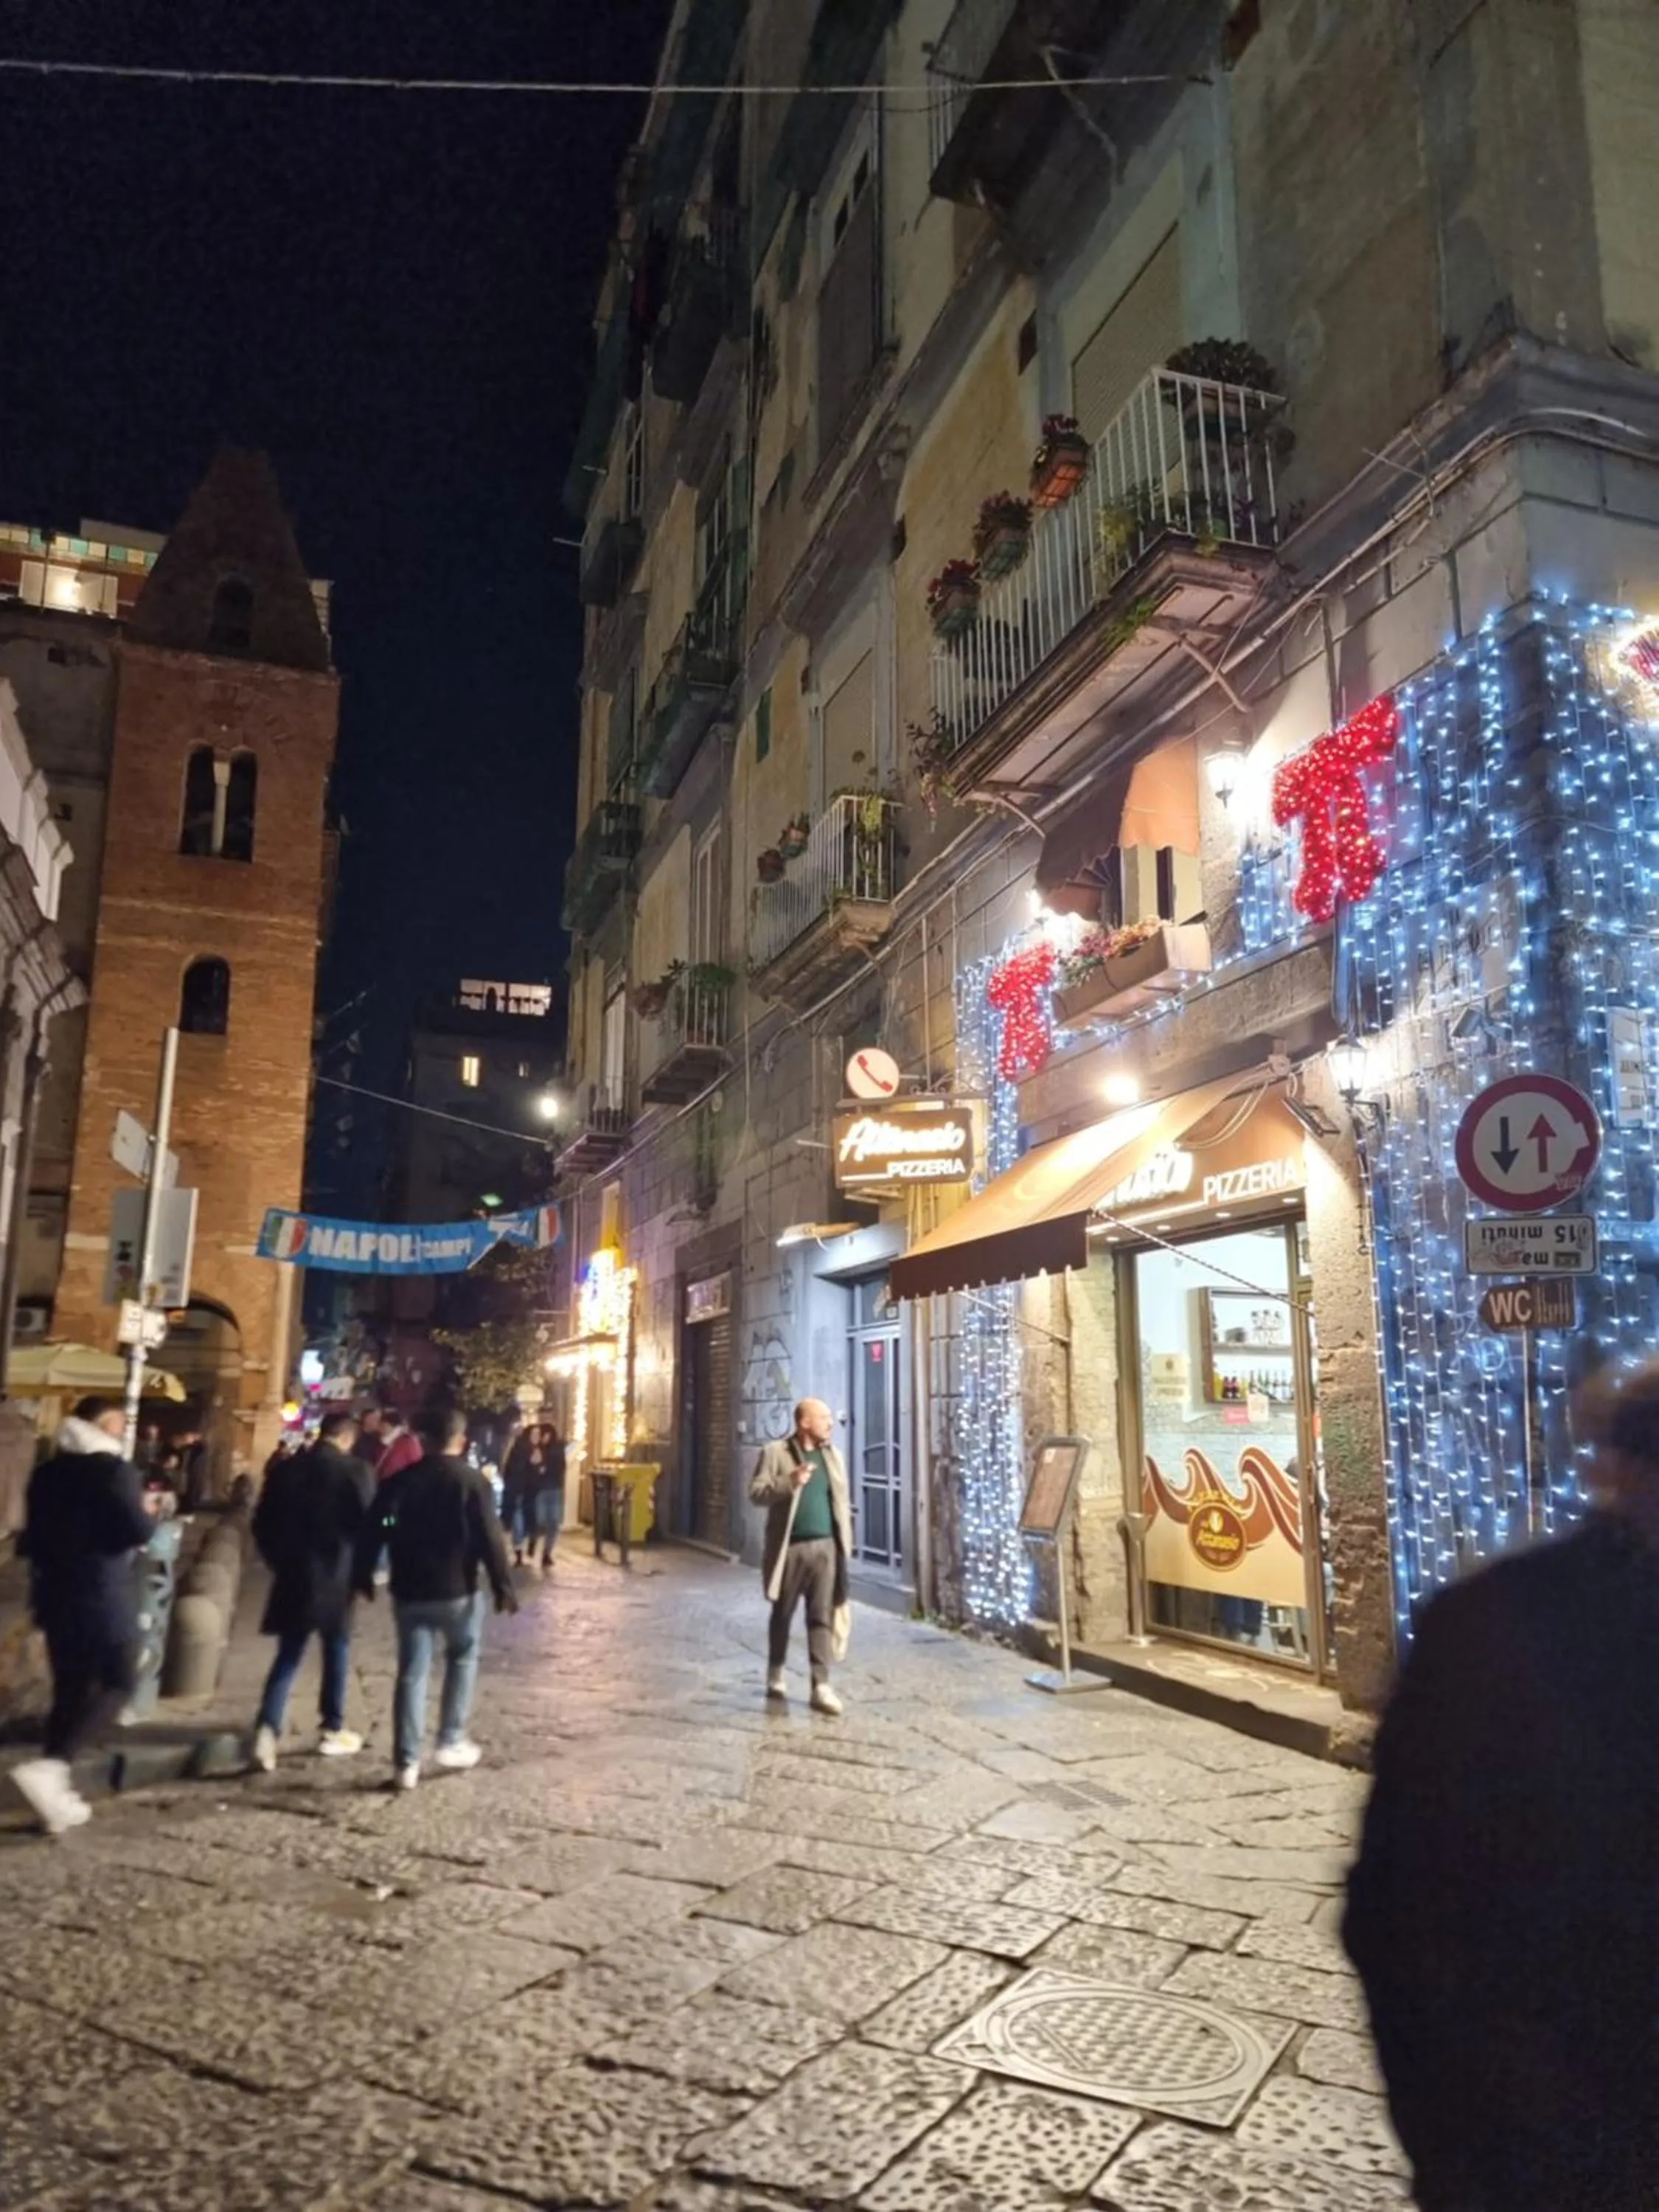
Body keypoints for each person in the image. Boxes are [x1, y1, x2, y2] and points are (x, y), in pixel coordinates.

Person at [1345, 1358, 1659, 2212]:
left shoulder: (1491, 1618)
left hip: (1530, 2115)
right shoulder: (1498, 1625)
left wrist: (1452, 2134)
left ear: (1606, 1467)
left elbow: (1393, 1907)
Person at [10, 1397, 159, 1835]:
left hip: (55, 1593)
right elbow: (138, 1530)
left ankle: (52, 1794)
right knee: (120, 1680)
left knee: (71, 1687)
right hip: (103, 1593)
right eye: (119, 1422)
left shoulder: (47, 1473)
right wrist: (149, 1511)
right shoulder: (113, 1471)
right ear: (103, 1424)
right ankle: (53, 1766)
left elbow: (30, 1538)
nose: (123, 1430)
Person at [357, 1406, 516, 1790]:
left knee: (411, 1674)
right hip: (457, 1588)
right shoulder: (471, 1482)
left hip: (411, 1588)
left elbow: (380, 1523)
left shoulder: (401, 1481)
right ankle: (451, 1738)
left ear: (425, 1441)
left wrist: (368, 1566)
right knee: (462, 1657)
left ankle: (406, 1763)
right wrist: (502, 1585)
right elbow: (488, 1536)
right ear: (460, 1441)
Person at [248, 1411, 375, 1770]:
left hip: (293, 1572)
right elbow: (375, 1519)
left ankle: (267, 1730)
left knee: (288, 1654)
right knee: (336, 1650)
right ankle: (332, 1727)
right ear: (348, 1437)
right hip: (338, 1574)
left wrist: (277, 1559)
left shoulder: (287, 1470)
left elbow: (261, 1521)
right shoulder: (356, 1472)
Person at [748, 1397, 851, 1716]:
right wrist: (789, 1482)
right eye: (824, 1417)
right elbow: (757, 1493)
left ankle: (821, 1685)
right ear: (805, 1421)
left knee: (822, 1616)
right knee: (783, 1613)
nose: (830, 1423)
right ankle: (776, 1672)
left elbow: (840, 1502)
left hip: (825, 1548)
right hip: (789, 1549)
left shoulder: (833, 1456)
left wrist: (843, 1545)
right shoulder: (775, 1453)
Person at [503, 1421, 566, 1571]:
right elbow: (514, 1470)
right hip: (520, 1492)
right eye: (535, 1434)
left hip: (531, 1493)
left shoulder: (539, 1450)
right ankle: (519, 1553)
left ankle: (529, 1546)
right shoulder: (521, 1449)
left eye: (539, 1434)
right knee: (520, 1522)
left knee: (532, 1522)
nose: (537, 1436)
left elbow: (545, 1470)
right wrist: (533, 1464)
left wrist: (538, 1466)